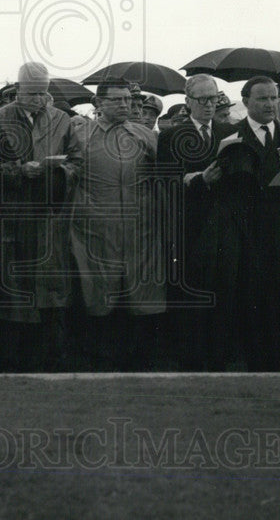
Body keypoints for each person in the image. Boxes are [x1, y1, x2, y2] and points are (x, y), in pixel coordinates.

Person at [65, 78, 165, 370]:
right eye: (116, 100)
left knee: (140, 293)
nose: (125, 105)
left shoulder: (145, 135)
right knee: (98, 294)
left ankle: (138, 362)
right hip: (95, 229)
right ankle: (97, 361)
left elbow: (163, 176)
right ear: (98, 104)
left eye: (127, 100)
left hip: (139, 229)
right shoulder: (80, 136)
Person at [0, 62, 73, 371]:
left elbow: (78, 162)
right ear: (17, 90)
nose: (39, 99)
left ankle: (51, 360)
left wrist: (60, 170)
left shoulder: (63, 119)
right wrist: (19, 171)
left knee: (51, 291)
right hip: (13, 218)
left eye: (44, 92)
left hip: (50, 217)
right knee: (14, 292)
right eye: (33, 93)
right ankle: (10, 360)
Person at [156, 74, 239, 370]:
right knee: (193, 294)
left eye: (213, 98)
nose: (208, 105)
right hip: (190, 225)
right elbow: (165, 182)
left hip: (225, 223)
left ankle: (220, 358)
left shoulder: (230, 131)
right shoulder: (170, 136)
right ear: (188, 101)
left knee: (224, 290)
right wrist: (198, 180)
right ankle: (192, 359)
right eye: (202, 99)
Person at [229, 76, 280, 371]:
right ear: (246, 102)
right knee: (253, 299)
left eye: (273, 98)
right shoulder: (232, 136)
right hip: (247, 232)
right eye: (262, 99)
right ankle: (256, 362)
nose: (270, 104)